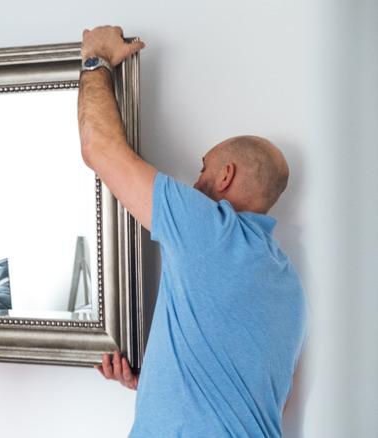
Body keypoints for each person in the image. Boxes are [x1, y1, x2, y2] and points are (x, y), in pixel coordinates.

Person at [78, 26, 306, 437]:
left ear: (226, 176)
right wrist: (153, 383)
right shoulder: (286, 284)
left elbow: (98, 147)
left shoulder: (210, 231)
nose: (195, 178)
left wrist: (95, 58)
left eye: (204, 167)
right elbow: (254, 398)